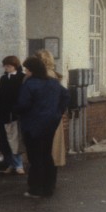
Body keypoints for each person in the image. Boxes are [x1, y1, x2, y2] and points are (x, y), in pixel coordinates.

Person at [14, 56, 69, 198]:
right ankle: (48, 188)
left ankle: (36, 189)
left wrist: (16, 111)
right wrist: (58, 112)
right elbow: (66, 95)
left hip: (32, 124)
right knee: (46, 155)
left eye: (27, 69)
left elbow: (23, 104)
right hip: (50, 123)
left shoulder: (29, 84)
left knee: (35, 157)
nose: (26, 72)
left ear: (32, 70)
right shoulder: (53, 82)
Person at [0, 55, 25, 174]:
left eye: (9, 66)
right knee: (4, 140)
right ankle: (11, 163)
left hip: (15, 114)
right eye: (5, 66)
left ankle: (19, 165)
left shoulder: (22, 77)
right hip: (3, 113)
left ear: (15, 66)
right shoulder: (4, 78)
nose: (6, 68)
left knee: (14, 140)